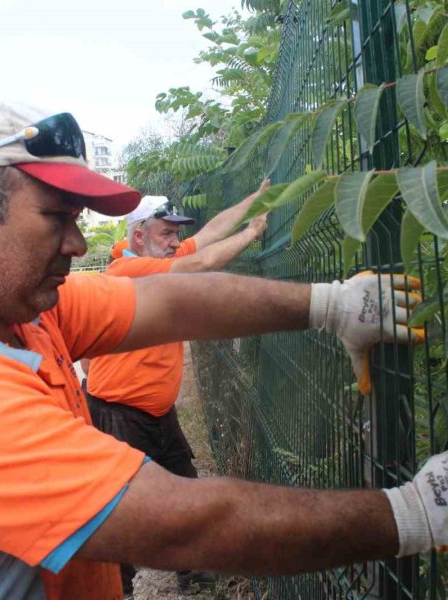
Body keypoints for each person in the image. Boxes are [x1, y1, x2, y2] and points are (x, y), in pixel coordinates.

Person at [0, 100, 448, 600]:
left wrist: (333, 304)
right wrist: (418, 512)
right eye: (58, 220)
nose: (76, 244)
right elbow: (195, 523)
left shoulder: (17, 313)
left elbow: (170, 299)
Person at [86, 191, 269, 595]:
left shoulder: (160, 257)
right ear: (139, 237)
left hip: (156, 412)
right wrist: (253, 232)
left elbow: (207, 235)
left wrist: (253, 200)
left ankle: (194, 573)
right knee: (120, 507)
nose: (175, 241)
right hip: (119, 414)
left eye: (174, 235)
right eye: (167, 233)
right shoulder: (127, 272)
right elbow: (203, 261)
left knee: (184, 487)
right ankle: (119, 588)